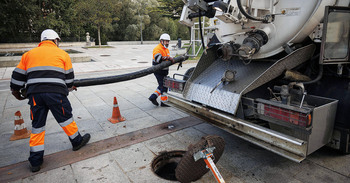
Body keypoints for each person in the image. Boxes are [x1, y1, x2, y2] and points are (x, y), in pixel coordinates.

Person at [10, 29, 91, 172]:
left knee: (37, 127)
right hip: (56, 94)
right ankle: (77, 141)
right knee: (66, 119)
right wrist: (69, 88)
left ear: (42, 41)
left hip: (35, 96)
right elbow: (69, 80)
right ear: (55, 41)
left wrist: (16, 92)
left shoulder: (28, 55)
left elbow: (17, 78)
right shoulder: (63, 54)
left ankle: (35, 161)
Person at [148, 33, 174, 107]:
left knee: (161, 86)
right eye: (166, 41)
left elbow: (167, 59)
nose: (167, 43)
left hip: (163, 71)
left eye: (168, 41)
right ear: (161, 41)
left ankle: (153, 97)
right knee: (164, 86)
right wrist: (168, 58)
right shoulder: (157, 49)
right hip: (158, 71)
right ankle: (163, 102)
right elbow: (158, 59)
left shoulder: (166, 49)